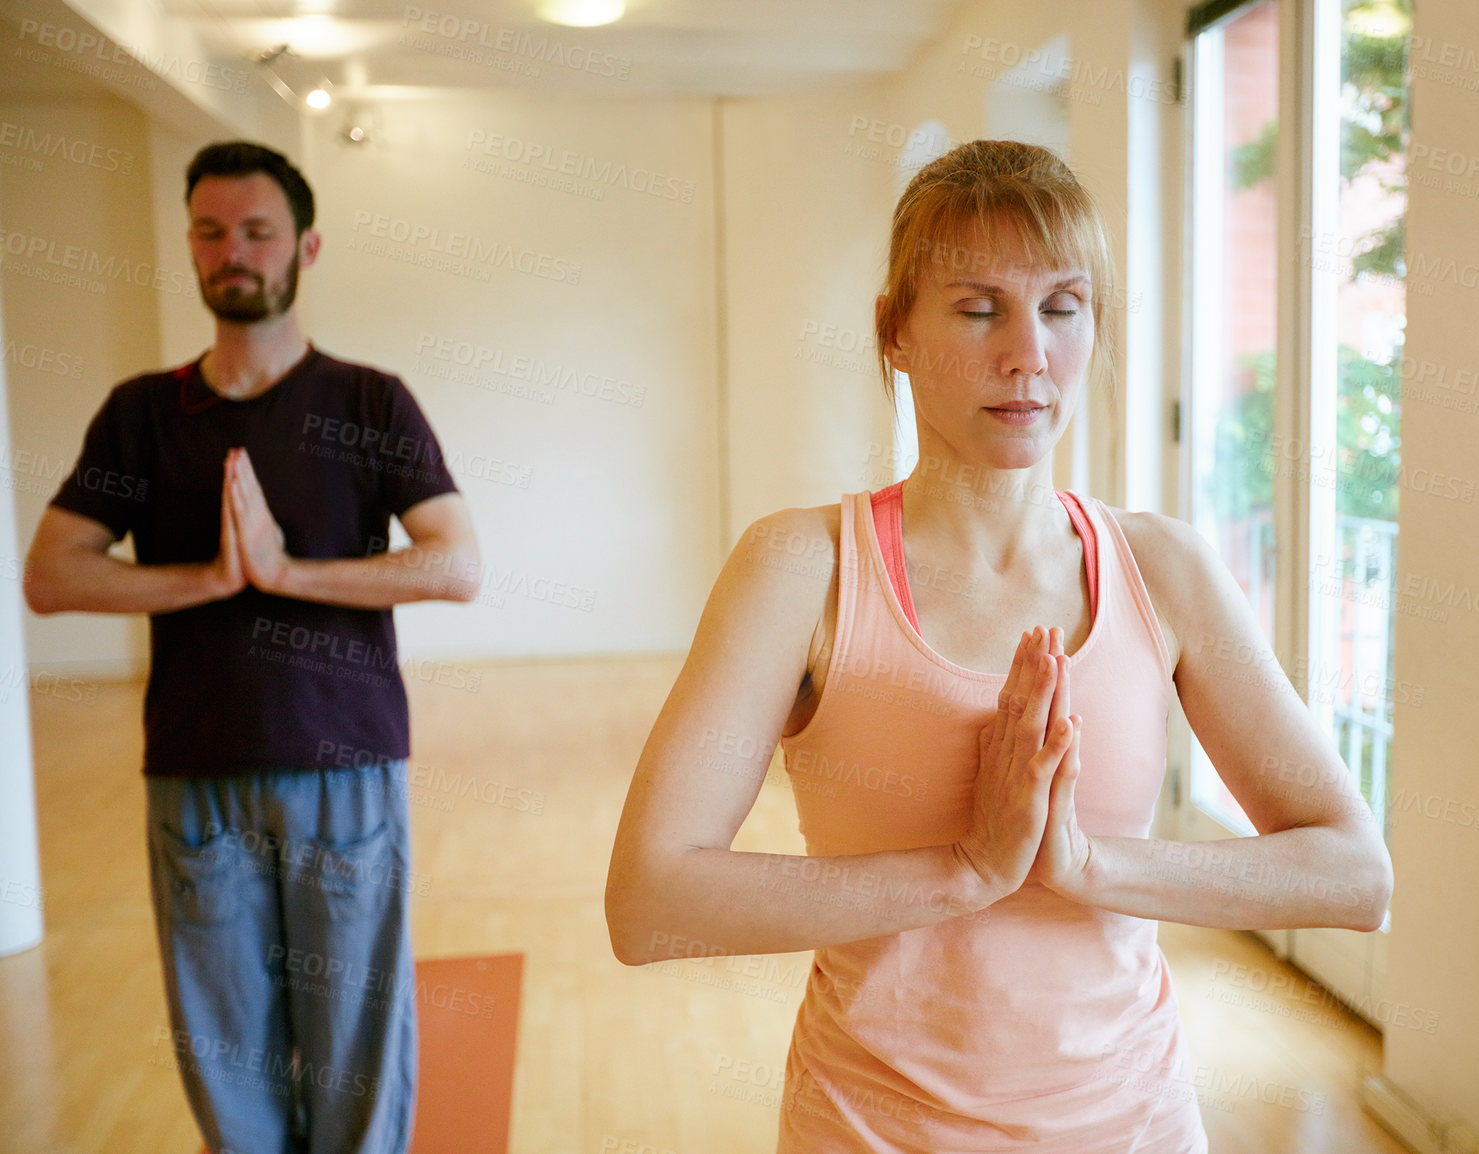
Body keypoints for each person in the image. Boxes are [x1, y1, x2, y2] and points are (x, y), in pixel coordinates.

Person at [604, 139, 1393, 1151]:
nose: (1028, 353)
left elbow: (1351, 874)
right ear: (894, 331)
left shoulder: (1163, 568)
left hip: (1135, 1124)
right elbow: (648, 900)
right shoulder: (801, 566)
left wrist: (1086, 864)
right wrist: (966, 870)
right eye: (978, 309)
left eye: (1062, 307)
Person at [23, 140, 481, 1154]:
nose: (234, 250)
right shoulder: (143, 413)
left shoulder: (369, 402)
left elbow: (454, 564)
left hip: (345, 765)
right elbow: (52, 573)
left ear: (305, 246)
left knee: (355, 1044)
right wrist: (208, 579)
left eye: (258, 230)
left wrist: (285, 572)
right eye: (211, 229)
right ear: (189, 244)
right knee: (225, 1046)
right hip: (196, 772)